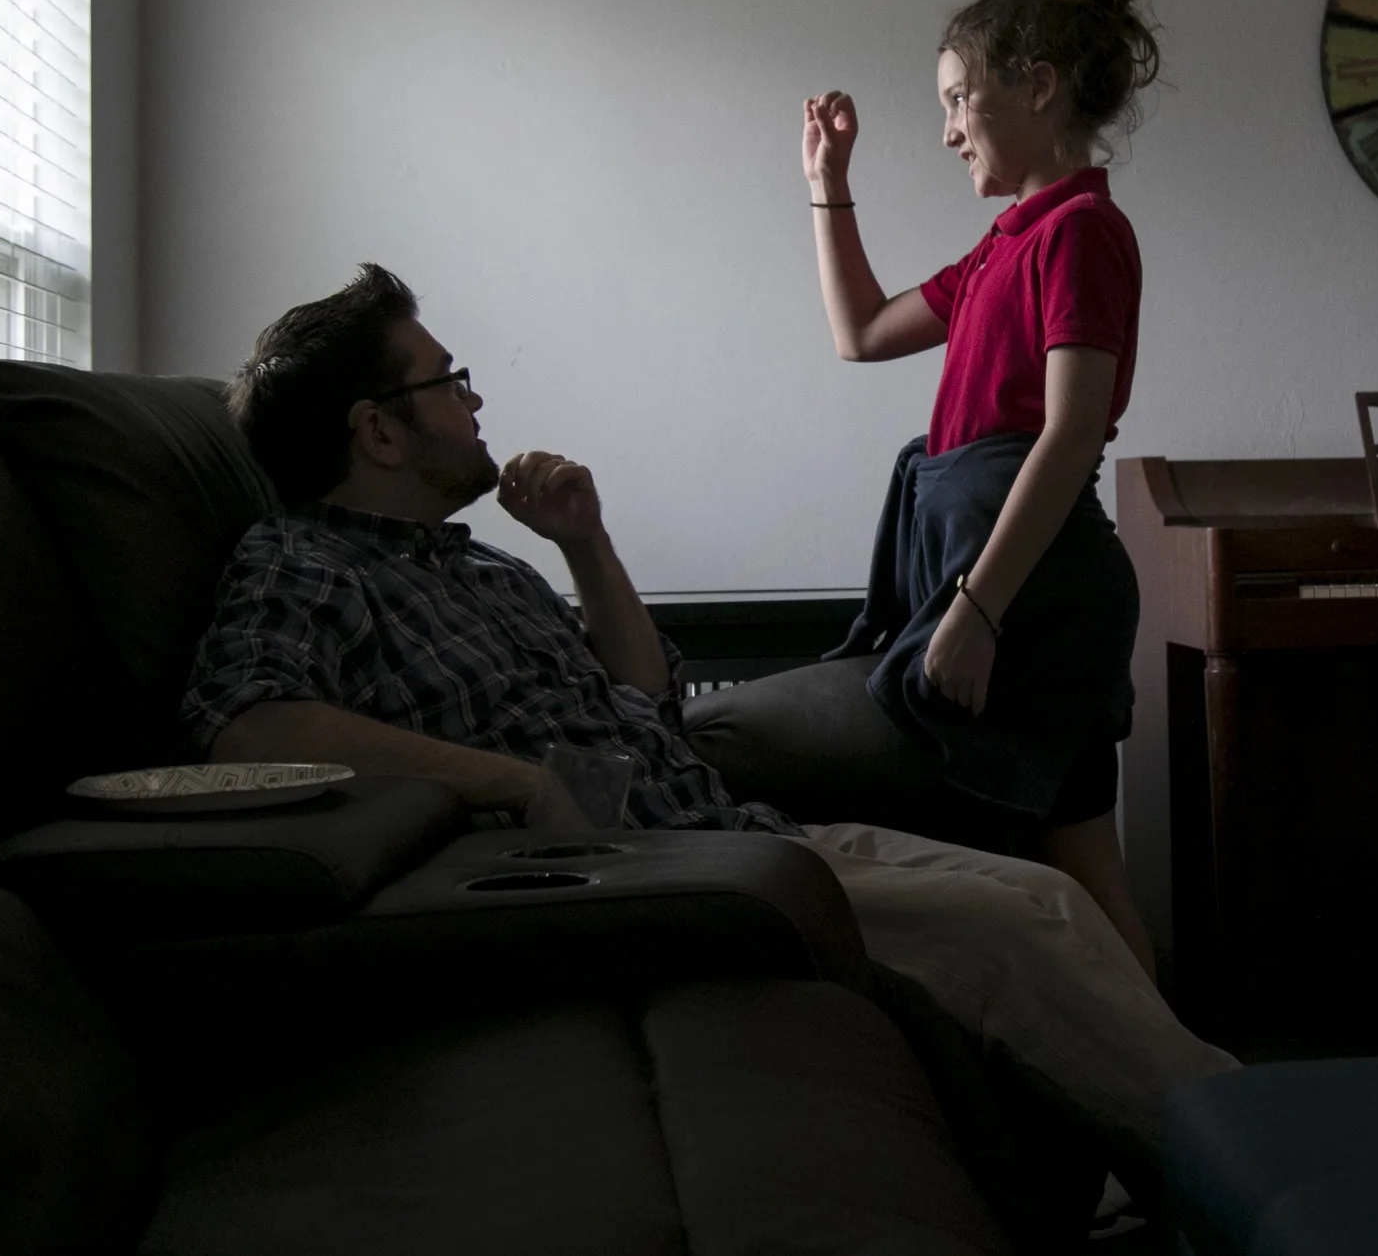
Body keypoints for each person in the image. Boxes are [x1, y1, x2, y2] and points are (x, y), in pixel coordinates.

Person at [182, 265, 1236, 1178]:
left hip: (728, 834)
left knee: (1044, 893)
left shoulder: (482, 566)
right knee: (1005, 933)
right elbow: (249, 725)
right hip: (627, 876)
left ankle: (1210, 1153)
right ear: (375, 428)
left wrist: (584, 543)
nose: (474, 399)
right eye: (447, 381)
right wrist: (500, 782)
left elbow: (641, 696)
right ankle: (1255, 1170)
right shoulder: (300, 560)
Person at [802, 0, 1158, 974]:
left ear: (1038, 87)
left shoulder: (1082, 233)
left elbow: (1070, 432)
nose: (950, 126)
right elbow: (861, 333)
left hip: (1034, 593)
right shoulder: (1005, 243)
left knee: (1072, 869)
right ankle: (1154, 1088)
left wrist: (978, 608)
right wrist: (829, 188)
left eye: (962, 98)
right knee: (1051, 865)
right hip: (994, 579)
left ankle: (1172, 1090)